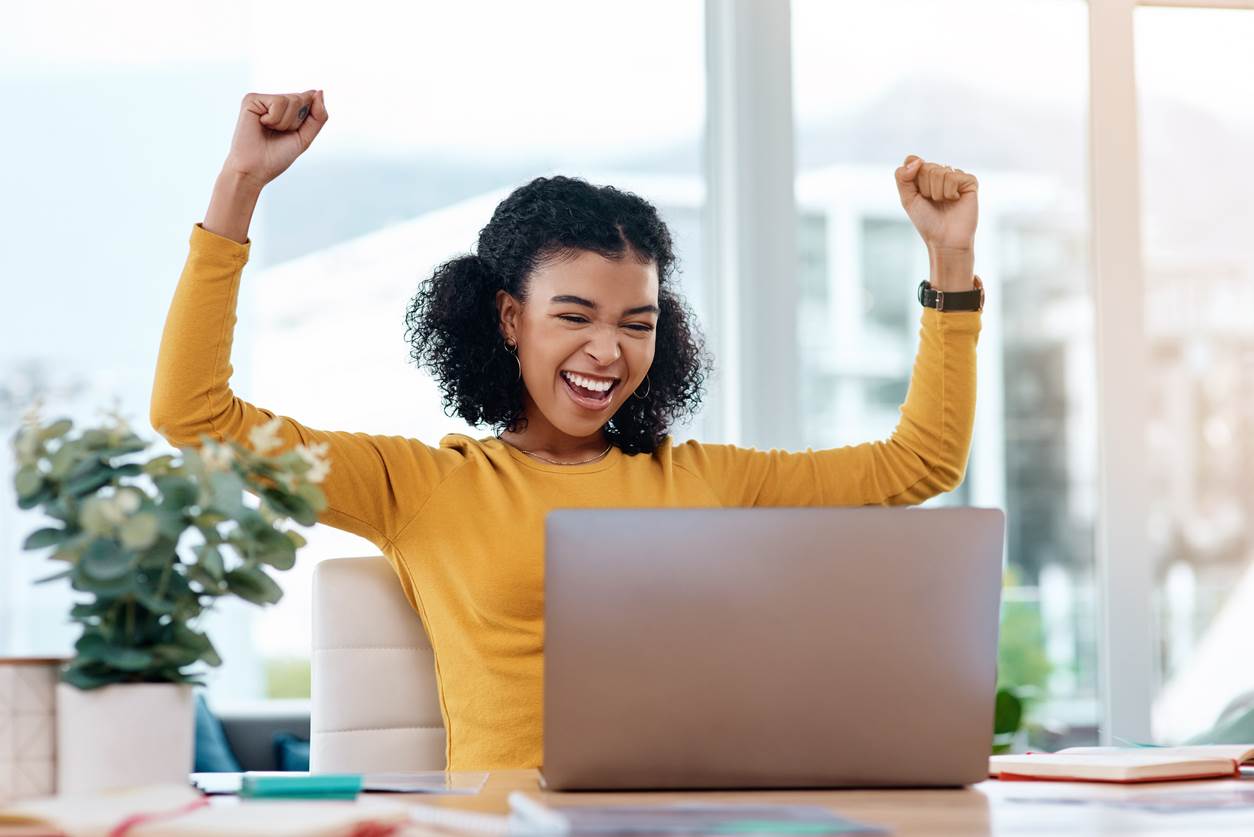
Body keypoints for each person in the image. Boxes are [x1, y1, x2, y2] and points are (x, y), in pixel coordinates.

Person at [151, 89, 984, 771]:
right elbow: (193, 415)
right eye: (575, 315)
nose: (607, 350)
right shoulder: (425, 487)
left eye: (638, 322)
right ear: (510, 318)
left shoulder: (707, 480)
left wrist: (950, 268)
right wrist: (240, 186)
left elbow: (920, 462)